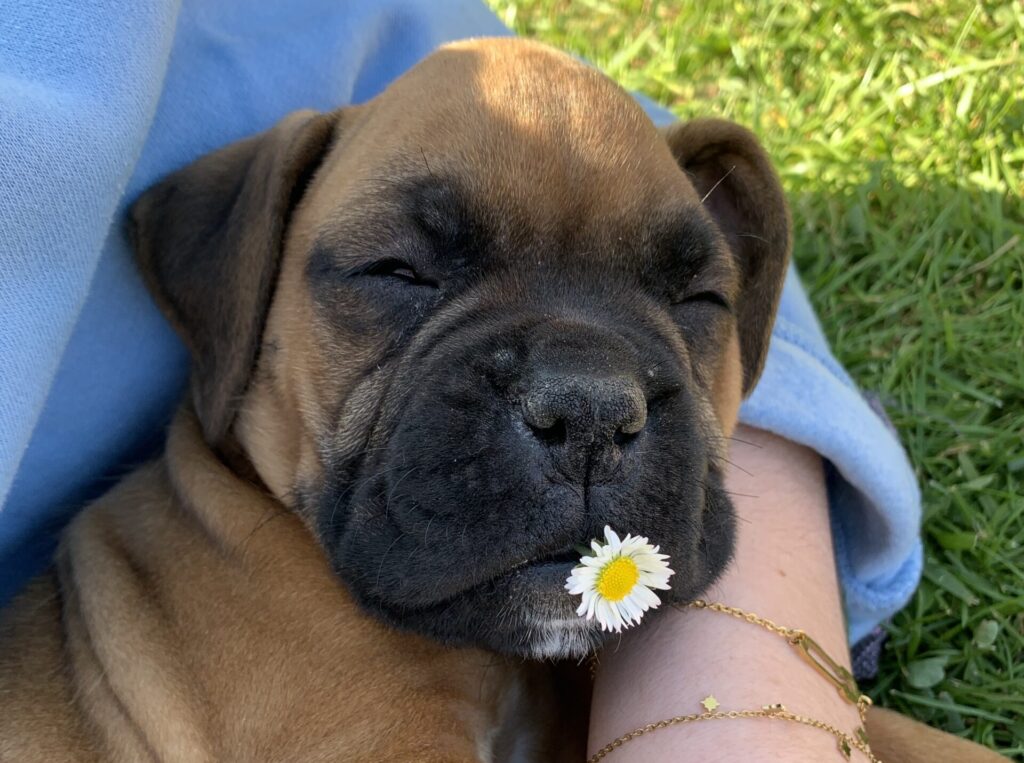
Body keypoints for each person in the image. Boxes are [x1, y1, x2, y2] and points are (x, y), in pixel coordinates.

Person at [0, 1, 922, 758]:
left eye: (690, 298)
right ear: (237, 298)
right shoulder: (225, 581)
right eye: (401, 277)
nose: (596, 401)